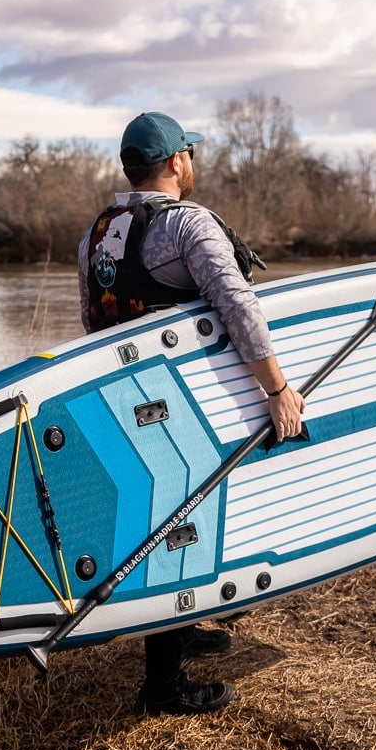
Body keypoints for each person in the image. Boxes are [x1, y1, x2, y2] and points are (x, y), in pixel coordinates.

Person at [77, 111, 305, 715]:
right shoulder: (187, 226)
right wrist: (277, 388)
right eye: (190, 154)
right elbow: (239, 306)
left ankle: (181, 623)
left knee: (164, 517)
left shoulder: (98, 233)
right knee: (180, 520)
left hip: (121, 397)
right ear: (177, 162)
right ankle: (163, 686)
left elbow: (90, 321)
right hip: (184, 400)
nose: (192, 162)